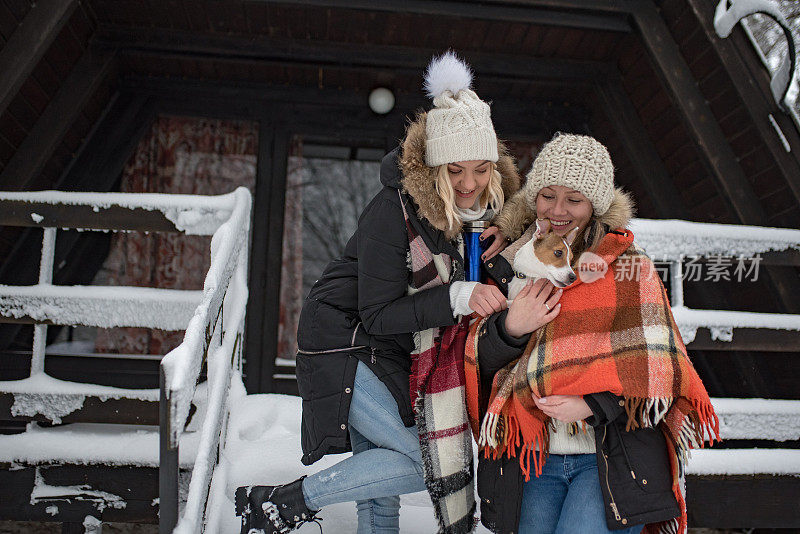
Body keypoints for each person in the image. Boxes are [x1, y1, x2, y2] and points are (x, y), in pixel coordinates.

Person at [234, 52, 521, 534]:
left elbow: (542, 217)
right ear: (434, 168)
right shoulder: (393, 210)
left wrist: (508, 231)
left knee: (381, 495)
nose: (469, 184)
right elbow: (380, 313)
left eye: (480, 169)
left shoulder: (484, 216)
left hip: (394, 351)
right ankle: (280, 503)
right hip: (344, 339)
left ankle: (273, 507)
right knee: (422, 465)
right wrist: (458, 297)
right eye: (455, 171)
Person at [464, 133, 719, 534]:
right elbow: (475, 365)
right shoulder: (508, 262)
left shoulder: (628, 268)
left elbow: (658, 375)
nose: (558, 210)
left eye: (574, 199)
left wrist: (592, 405)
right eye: (548, 196)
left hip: (610, 454)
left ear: (596, 204)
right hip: (532, 453)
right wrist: (511, 329)